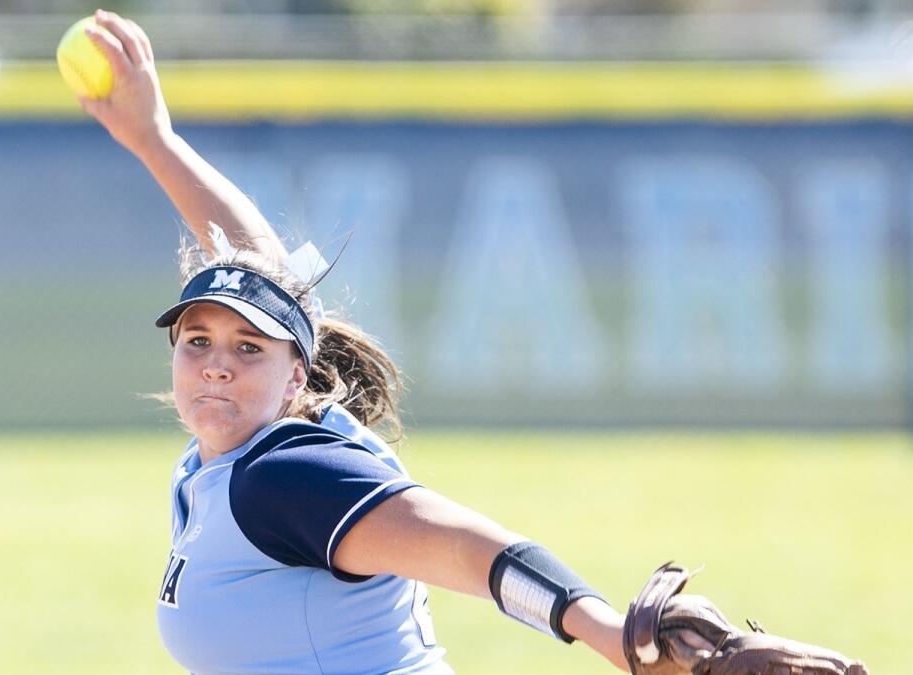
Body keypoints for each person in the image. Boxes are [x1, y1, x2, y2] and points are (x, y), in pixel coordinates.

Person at [75, 10, 867, 675]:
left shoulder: (284, 478)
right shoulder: (227, 460)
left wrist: (612, 636)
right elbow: (260, 265)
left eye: (251, 348)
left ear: (295, 376)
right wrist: (155, 139)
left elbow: (472, 552)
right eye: (198, 339)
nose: (217, 360)